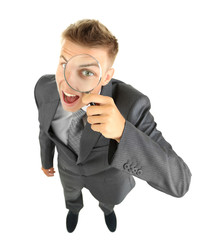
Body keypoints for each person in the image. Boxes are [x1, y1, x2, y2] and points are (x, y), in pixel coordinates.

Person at [34, 19, 192, 233]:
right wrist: (45, 162)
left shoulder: (131, 105)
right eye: (64, 64)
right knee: (71, 198)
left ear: (106, 77)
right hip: (68, 172)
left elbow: (180, 181)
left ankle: (107, 210)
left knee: (108, 202)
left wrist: (123, 133)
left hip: (108, 181)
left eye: (87, 72)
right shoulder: (44, 88)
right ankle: (74, 209)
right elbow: (44, 131)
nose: (68, 82)